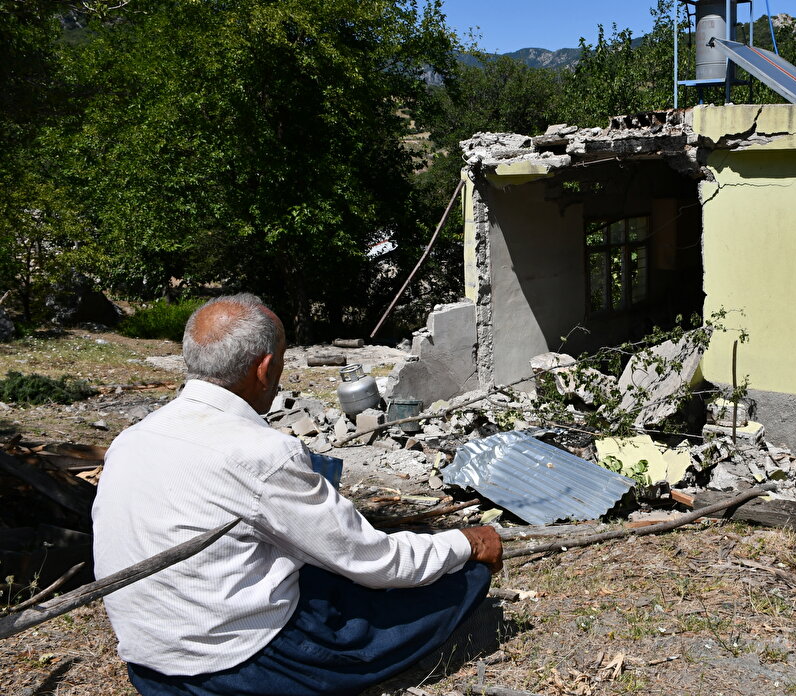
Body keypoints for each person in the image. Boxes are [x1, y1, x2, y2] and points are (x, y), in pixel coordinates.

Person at [92, 293, 503, 696]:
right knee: (462, 579)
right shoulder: (260, 453)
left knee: (316, 559)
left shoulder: (131, 439)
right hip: (233, 672)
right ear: (266, 368)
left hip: (149, 668)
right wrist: (465, 543)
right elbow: (377, 561)